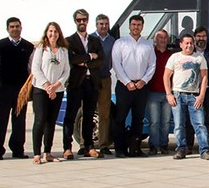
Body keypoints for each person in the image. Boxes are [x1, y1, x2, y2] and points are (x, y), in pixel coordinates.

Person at [63, 9, 105, 160]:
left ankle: (89, 146)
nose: (82, 22)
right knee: (71, 116)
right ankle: (67, 148)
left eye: (84, 20)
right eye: (79, 20)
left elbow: (101, 59)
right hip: (76, 83)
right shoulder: (69, 41)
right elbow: (72, 59)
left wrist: (85, 62)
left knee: (89, 115)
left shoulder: (95, 40)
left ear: (88, 21)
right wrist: (89, 56)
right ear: (75, 21)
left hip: (91, 82)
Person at [112, 14, 156, 158]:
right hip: (124, 86)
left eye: (138, 25)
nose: (136, 27)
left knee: (138, 118)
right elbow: (116, 64)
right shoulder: (120, 43)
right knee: (120, 118)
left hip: (141, 86)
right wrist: (127, 82)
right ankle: (120, 149)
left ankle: (135, 148)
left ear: (142, 27)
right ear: (129, 26)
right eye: (133, 25)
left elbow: (152, 65)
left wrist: (144, 80)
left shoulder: (148, 44)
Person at [165, 33, 209, 160]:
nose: (189, 45)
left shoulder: (199, 58)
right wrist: (169, 94)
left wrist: (201, 95)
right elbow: (166, 76)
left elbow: (204, 77)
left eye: (191, 43)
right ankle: (181, 149)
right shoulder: (174, 57)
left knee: (200, 125)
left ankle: (205, 150)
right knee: (179, 125)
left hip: (194, 96)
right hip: (177, 95)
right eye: (186, 43)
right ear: (181, 44)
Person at [0, 17, 34, 160]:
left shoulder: (28, 47)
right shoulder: (0, 46)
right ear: (7, 29)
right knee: (0, 120)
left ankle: (18, 149)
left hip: (21, 89)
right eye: (12, 27)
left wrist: (29, 89)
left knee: (19, 121)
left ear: (21, 28)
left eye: (17, 26)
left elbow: (30, 69)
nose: (15, 29)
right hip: (4, 87)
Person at [30, 22, 70, 165]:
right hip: (41, 90)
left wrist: (56, 86)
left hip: (57, 90)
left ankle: (47, 152)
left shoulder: (63, 50)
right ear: (47, 33)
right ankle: (37, 153)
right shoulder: (41, 48)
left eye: (55, 31)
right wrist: (47, 86)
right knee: (40, 120)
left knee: (51, 122)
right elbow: (35, 69)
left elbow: (66, 70)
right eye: (51, 31)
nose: (53, 34)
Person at [185, 26, 209, 154]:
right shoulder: (188, 51)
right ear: (195, 37)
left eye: (204, 36)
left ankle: (207, 145)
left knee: (206, 120)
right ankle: (188, 146)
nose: (201, 39)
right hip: (190, 91)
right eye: (199, 36)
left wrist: (205, 86)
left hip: (207, 91)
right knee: (189, 120)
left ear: (207, 38)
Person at [91, 13, 115, 155]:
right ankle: (85, 144)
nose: (104, 26)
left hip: (105, 78)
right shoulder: (89, 39)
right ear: (96, 25)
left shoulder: (112, 41)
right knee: (88, 111)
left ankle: (104, 144)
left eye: (106, 24)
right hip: (90, 79)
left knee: (104, 113)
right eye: (101, 24)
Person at [146, 29, 173, 155]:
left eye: (165, 38)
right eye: (160, 37)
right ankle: (153, 146)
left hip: (168, 93)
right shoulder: (150, 54)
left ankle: (164, 145)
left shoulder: (172, 56)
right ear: (155, 39)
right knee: (154, 122)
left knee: (166, 122)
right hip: (153, 92)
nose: (162, 40)